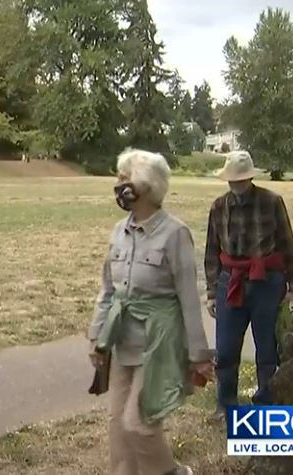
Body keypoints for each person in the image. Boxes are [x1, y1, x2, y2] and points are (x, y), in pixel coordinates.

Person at [87, 148, 213, 475]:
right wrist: (97, 339)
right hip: (122, 340)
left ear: (146, 185)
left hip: (159, 343)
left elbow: (188, 297)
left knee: (139, 424)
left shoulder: (175, 234)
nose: (118, 186)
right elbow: (108, 290)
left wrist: (199, 354)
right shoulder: (118, 231)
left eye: (124, 179)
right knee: (118, 425)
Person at [204, 151, 293, 418]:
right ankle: (225, 405)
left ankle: (266, 402)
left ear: (250, 178)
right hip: (230, 281)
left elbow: (287, 244)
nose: (236, 186)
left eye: (241, 180)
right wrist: (212, 292)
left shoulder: (272, 202)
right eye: (231, 181)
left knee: (267, 348)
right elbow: (212, 252)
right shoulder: (218, 207)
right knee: (225, 349)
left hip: (267, 283)